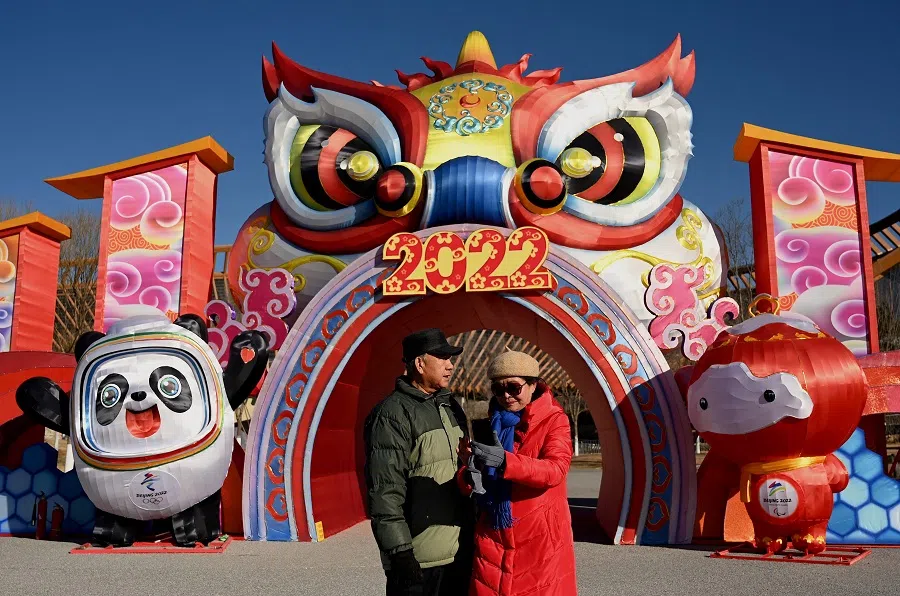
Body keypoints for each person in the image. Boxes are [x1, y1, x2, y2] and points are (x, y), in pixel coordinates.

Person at [363, 328, 475, 595]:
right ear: (419, 363)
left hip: (458, 552)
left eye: (451, 358)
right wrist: (400, 552)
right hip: (419, 558)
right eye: (442, 358)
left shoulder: (451, 407)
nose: (450, 365)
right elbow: (385, 489)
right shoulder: (392, 414)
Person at [464, 351, 577, 595]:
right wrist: (468, 475)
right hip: (494, 529)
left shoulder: (554, 420)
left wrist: (507, 463)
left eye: (514, 387)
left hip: (538, 537)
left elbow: (556, 469)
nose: (506, 395)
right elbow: (481, 468)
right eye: (498, 388)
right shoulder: (489, 422)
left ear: (533, 384)